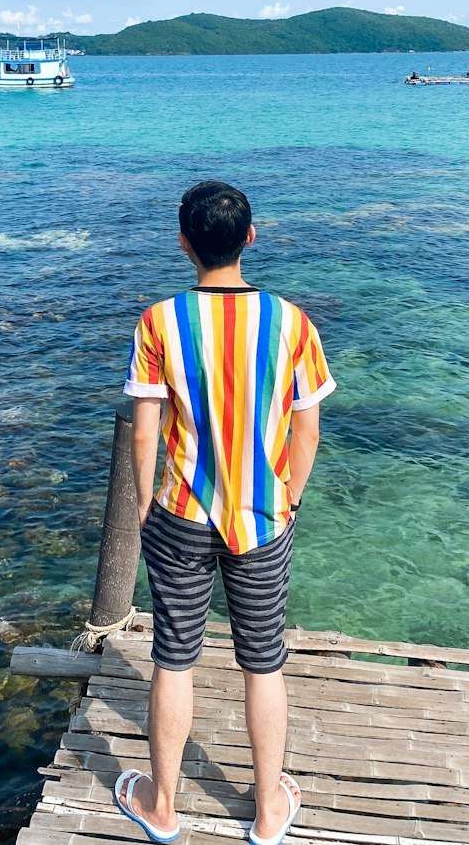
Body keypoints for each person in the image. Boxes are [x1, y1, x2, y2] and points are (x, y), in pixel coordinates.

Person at [114, 180, 335, 845]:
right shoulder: (291, 322)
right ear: (251, 238)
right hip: (264, 515)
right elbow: (308, 431)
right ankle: (268, 811)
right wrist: (289, 497)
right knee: (263, 661)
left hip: (180, 512)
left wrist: (143, 503)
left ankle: (163, 809)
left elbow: (145, 432)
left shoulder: (159, 321)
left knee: (173, 658)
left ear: (184, 242)